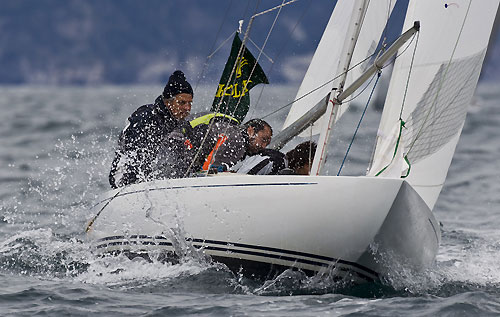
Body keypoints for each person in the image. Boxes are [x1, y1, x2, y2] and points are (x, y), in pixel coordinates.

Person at [109, 70, 194, 188]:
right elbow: (134, 159)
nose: (187, 108)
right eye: (182, 103)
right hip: (125, 182)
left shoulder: (181, 125)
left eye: (190, 103)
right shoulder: (146, 118)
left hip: (158, 182)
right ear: (167, 102)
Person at [189, 116, 273, 173]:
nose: (263, 146)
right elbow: (207, 171)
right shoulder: (238, 142)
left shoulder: (231, 130)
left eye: (267, 143)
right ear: (250, 131)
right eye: (263, 139)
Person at [232, 141, 316, 176]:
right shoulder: (274, 162)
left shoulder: (280, 163)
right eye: (312, 165)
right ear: (303, 162)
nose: (313, 172)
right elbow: (244, 178)